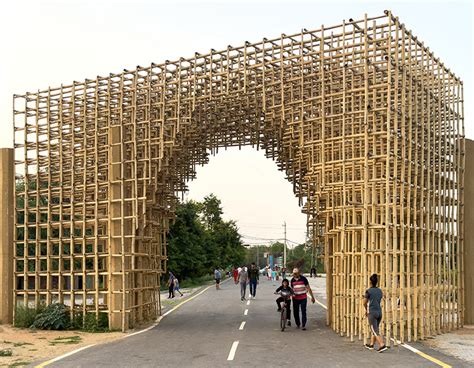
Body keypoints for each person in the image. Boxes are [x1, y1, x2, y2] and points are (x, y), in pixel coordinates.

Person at [364, 274, 388, 352]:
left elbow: (364, 302)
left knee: (374, 330)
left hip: (372, 313)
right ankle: (371, 344)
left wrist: (366, 310)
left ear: (370, 282)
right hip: (379, 312)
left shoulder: (368, 291)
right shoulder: (380, 291)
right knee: (375, 329)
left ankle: (382, 345)